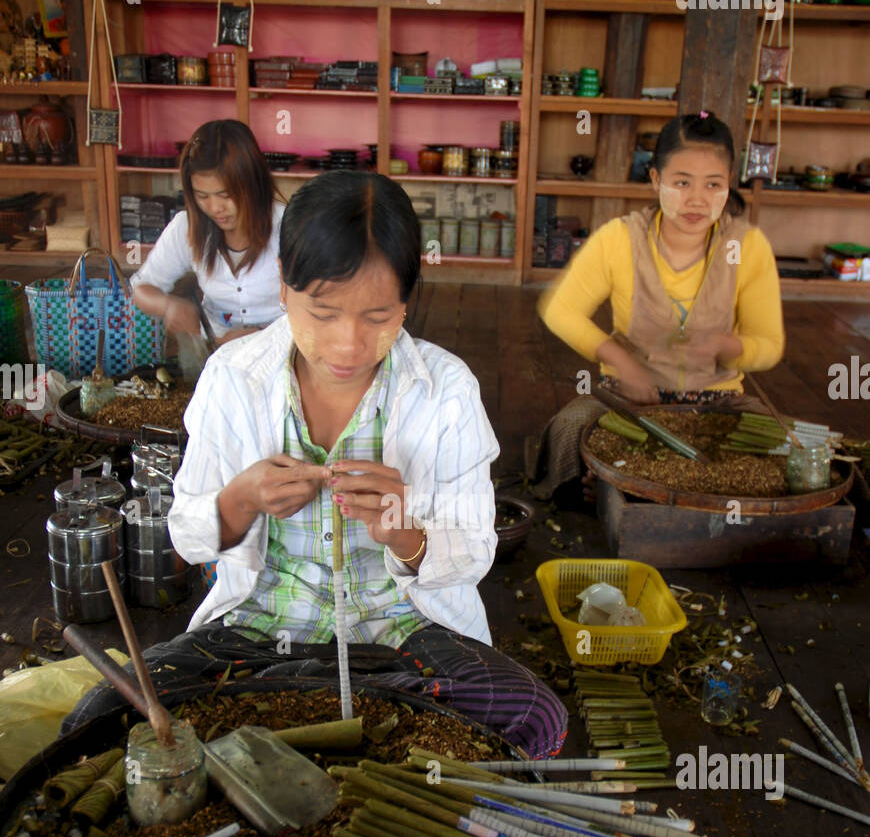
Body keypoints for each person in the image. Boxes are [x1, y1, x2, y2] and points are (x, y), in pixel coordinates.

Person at [68, 172, 568, 761]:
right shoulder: (235, 379)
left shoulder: (445, 389)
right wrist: (242, 499)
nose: (349, 345)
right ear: (283, 286)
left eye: (378, 316)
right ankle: (346, 727)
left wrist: (405, 534)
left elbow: (476, 548)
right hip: (258, 633)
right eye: (323, 313)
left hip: (403, 636)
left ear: (408, 300)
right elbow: (189, 534)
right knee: (97, 719)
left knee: (535, 719)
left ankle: (336, 722)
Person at [527, 111, 785, 497]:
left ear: (729, 184)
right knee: (569, 430)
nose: (697, 199)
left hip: (719, 403)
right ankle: (605, 485)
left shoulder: (746, 247)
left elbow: (769, 344)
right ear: (655, 180)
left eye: (713, 184)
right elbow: (559, 310)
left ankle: (619, 482)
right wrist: (624, 362)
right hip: (629, 400)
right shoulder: (620, 239)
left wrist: (730, 347)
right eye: (681, 182)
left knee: (785, 451)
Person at [130, 119, 284, 351]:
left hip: (281, 352)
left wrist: (260, 335)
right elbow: (141, 289)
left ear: (253, 184)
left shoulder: (287, 226)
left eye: (225, 195)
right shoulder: (187, 227)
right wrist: (169, 305)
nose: (215, 208)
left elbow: (317, 307)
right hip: (215, 355)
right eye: (203, 196)